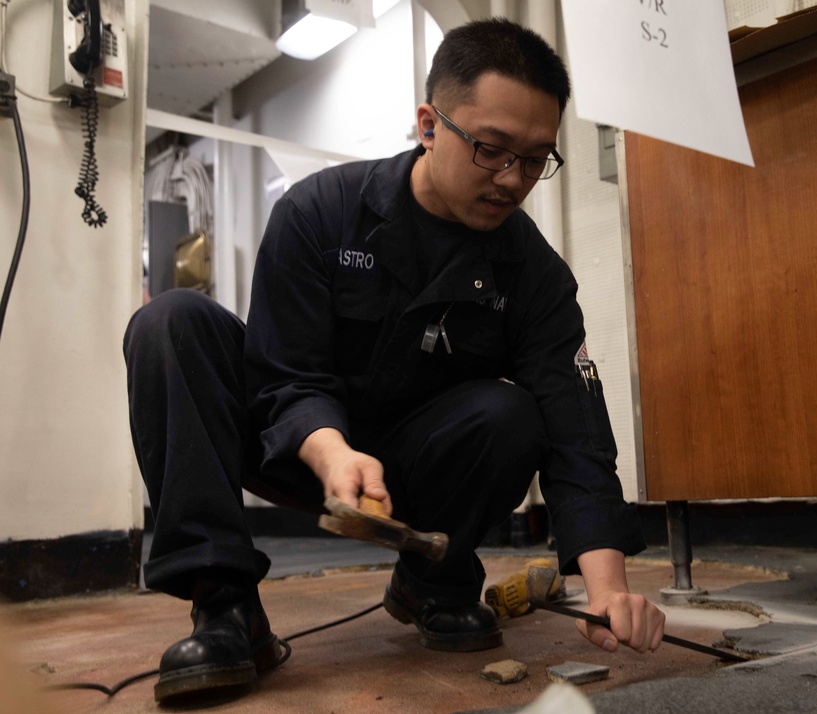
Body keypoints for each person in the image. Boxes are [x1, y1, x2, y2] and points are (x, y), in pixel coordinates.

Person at [123, 17, 666, 703]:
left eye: (534, 159)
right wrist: (330, 451)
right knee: (169, 322)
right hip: (295, 449)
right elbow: (284, 377)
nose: (511, 179)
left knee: (511, 411)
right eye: (492, 149)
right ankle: (225, 605)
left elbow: (574, 431)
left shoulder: (534, 275)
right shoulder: (319, 214)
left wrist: (609, 590)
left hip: (415, 475)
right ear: (429, 124)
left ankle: (432, 579)